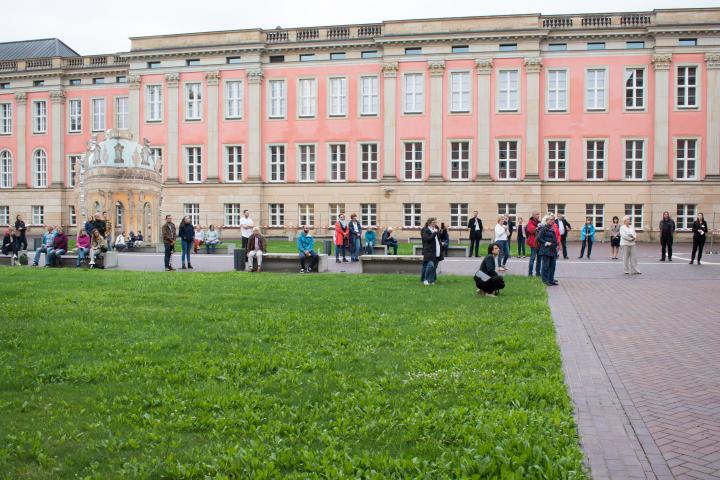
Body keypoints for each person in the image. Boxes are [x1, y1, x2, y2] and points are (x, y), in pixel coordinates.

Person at [537, 214, 559, 286]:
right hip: (545, 250)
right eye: (551, 220)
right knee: (545, 266)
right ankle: (544, 280)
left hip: (552, 250)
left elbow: (554, 239)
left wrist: (557, 245)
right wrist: (546, 242)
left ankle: (551, 279)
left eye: (553, 220)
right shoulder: (544, 228)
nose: (552, 221)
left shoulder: (551, 228)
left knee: (552, 266)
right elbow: (538, 238)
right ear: (546, 221)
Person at [420, 217, 442, 285]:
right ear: (429, 223)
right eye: (433, 222)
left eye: (435, 222)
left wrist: (442, 231)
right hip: (429, 251)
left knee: (434, 267)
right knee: (430, 265)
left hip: (437, 251)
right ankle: (425, 280)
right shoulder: (426, 230)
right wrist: (434, 233)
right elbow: (427, 239)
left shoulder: (436, 230)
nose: (435, 224)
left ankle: (431, 280)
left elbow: (439, 238)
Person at [526, 211, 541, 277]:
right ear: (533, 215)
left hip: (540, 242)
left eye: (538, 214)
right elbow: (531, 230)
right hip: (533, 243)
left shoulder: (539, 222)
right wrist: (537, 228)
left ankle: (538, 273)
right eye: (537, 214)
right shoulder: (530, 222)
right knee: (532, 258)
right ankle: (530, 273)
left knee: (539, 258)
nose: (538, 215)